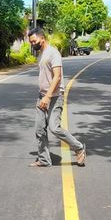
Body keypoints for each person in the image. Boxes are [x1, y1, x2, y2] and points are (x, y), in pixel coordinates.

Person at [27, 27, 86, 167]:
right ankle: (43, 159)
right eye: (31, 42)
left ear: (42, 38)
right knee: (39, 129)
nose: (32, 44)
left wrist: (47, 97)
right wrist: (43, 96)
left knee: (54, 128)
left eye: (34, 41)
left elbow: (57, 77)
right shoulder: (41, 54)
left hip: (54, 96)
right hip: (41, 96)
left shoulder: (53, 53)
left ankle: (78, 148)